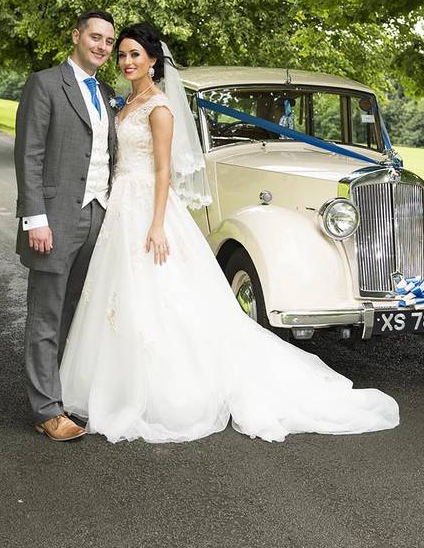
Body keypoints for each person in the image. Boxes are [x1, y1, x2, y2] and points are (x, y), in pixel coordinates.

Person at [57, 22, 400, 443]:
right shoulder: (127, 103)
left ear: (153, 61)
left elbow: (163, 169)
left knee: (159, 295)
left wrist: (158, 223)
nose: (126, 62)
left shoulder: (158, 107)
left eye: (135, 55)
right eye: (122, 54)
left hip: (148, 207)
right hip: (121, 206)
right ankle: (115, 381)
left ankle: (164, 391)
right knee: (121, 296)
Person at [14, 10, 118, 441]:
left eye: (109, 41)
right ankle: (45, 410)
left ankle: (65, 394)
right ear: (76, 37)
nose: (102, 46)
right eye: (95, 37)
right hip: (54, 220)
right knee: (46, 315)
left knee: (77, 313)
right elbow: (29, 155)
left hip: (99, 214)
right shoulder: (44, 83)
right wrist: (35, 217)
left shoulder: (108, 93)